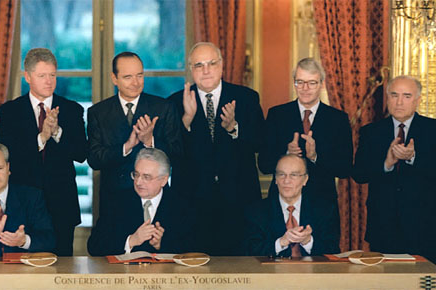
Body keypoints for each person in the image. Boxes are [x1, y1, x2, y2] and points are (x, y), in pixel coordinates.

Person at [168, 42, 265, 255]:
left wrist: (234, 128)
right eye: (199, 65)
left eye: (211, 63)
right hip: (192, 208)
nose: (206, 70)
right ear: (191, 69)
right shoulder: (175, 103)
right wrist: (186, 120)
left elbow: (261, 143)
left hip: (239, 205)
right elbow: (170, 154)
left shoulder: (247, 98)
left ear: (221, 65)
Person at [353, 75, 436, 268]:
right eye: (394, 95)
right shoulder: (371, 132)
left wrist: (412, 158)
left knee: (424, 284)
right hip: (383, 228)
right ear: (387, 98)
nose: (399, 102)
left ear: (417, 100)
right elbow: (359, 174)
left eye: (407, 96)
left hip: (423, 228)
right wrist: (387, 163)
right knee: (386, 284)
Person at [0, 48, 88, 256]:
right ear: (27, 77)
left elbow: (81, 154)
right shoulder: (10, 111)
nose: (49, 81)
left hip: (62, 206)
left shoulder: (72, 110)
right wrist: (41, 138)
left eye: (52, 75)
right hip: (23, 205)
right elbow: (7, 154)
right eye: (42, 76)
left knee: (62, 270)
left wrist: (56, 132)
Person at [258, 57, 352, 225]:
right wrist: (286, 155)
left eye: (312, 83)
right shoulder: (277, 115)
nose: (305, 89)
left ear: (322, 84)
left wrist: (315, 156)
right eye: (300, 82)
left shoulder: (338, 119)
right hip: (280, 205)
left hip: (322, 206)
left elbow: (344, 168)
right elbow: (264, 164)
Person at [87, 52, 182, 216]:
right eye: (128, 77)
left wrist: (150, 142)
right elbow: (94, 159)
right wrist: (126, 147)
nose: (135, 83)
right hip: (114, 200)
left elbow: (177, 154)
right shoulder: (98, 112)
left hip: (156, 199)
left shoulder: (163, 108)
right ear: (114, 79)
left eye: (140, 75)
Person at [87, 148, 191, 256]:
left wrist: (161, 244)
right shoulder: (117, 201)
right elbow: (94, 246)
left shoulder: (182, 205)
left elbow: (197, 248)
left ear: (164, 180)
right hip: (125, 272)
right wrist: (130, 241)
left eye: (146, 177)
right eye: (136, 174)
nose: (138, 182)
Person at [245, 154, 340, 257]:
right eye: (281, 174)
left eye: (294, 175)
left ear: (305, 179)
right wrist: (281, 242)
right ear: (275, 179)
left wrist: (308, 241)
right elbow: (250, 252)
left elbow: (333, 251)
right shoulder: (257, 211)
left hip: (312, 272)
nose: (286, 181)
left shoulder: (324, 210)